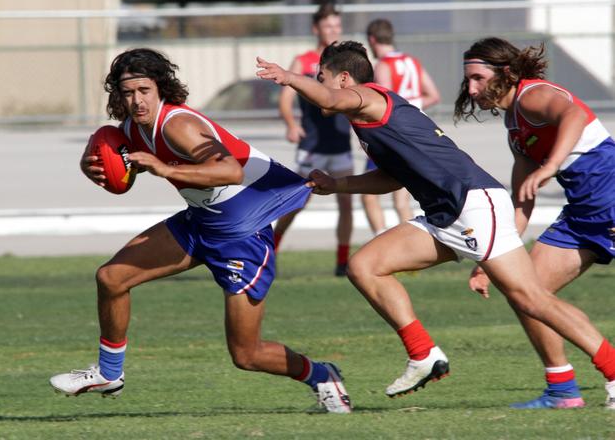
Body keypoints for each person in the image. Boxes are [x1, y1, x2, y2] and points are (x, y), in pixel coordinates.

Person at [256, 41, 615, 403]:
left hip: (470, 205)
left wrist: (289, 78)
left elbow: (329, 99)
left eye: (322, 77)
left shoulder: (369, 98)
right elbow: (394, 177)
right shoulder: (370, 120)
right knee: (365, 266)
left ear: (344, 79)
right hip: (447, 215)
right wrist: (338, 186)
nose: (471, 89)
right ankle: (423, 354)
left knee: (532, 298)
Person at [49, 48, 352, 414]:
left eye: (144, 90)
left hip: (243, 233)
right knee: (111, 278)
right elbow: (122, 173)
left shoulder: (179, 125)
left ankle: (322, 375)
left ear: (160, 88)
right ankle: (109, 373)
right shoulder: (131, 129)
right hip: (199, 222)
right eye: (128, 93)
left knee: (246, 354)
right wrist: (93, 166)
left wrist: (165, 169)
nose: (137, 100)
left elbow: (229, 171)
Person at [454, 36, 615, 409]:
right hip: (582, 216)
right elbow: (522, 200)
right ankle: (562, 390)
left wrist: (550, 166)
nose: (472, 88)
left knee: (529, 293)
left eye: (478, 78)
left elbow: (573, 113)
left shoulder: (531, 96)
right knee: (526, 291)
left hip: (609, 202)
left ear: (505, 73)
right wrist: (490, 261)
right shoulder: (515, 126)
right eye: (468, 81)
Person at [274, 2, 353, 276]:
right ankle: (270, 251)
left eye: (337, 25)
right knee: (298, 201)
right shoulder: (304, 60)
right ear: (316, 28)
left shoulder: (347, 61)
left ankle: (342, 262)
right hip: (312, 145)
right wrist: (291, 123)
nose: (333, 30)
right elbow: (285, 98)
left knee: (346, 201)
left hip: (341, 143)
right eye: (328, 25)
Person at [362, 19, 441, 235]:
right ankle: (410, 246)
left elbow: (383, 100)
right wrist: (412, 106)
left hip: (395, 132)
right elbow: (433, 95)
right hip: (418, 129)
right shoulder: (412, 61)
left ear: (371, 39)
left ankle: (380, 239)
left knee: (368, 195)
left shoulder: (383, 65)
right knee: (402, 198)